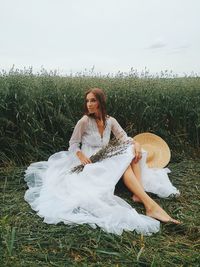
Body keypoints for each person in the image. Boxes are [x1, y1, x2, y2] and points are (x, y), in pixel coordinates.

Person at [24, 88, 180, 236]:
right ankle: (147, 201)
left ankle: (142, 198)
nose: (89, 104)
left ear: (101, 102)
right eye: (87, 101)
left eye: (93, 100)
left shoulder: (110, 121)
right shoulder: (84, 121)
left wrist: (137, 144)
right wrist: (79, 154)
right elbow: (73, 143)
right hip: (91, 159)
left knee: (132, 151)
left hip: (106, 156)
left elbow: (124, 138)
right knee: (126, 165)